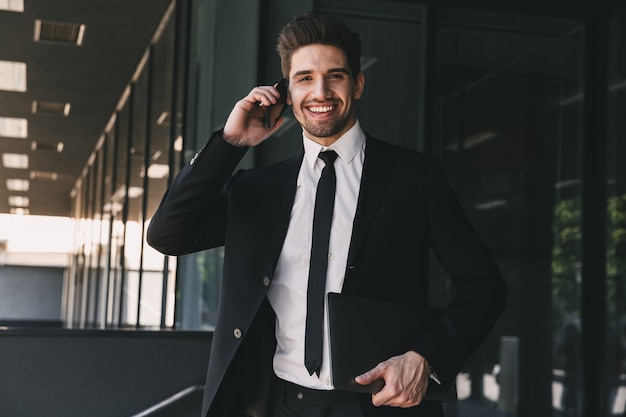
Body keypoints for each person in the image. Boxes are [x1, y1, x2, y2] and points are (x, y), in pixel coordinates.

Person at [147, 12, 507, 417]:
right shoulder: (258, 189)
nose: (320, 91)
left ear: (358, 82)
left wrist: (426, 357)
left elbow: (484, 285)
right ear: (287, 91)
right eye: (304, 78)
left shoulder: (413, 177)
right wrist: (229, 143)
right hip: (279, 403)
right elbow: (168, 234)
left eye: (335, 75)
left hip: (378, 406)